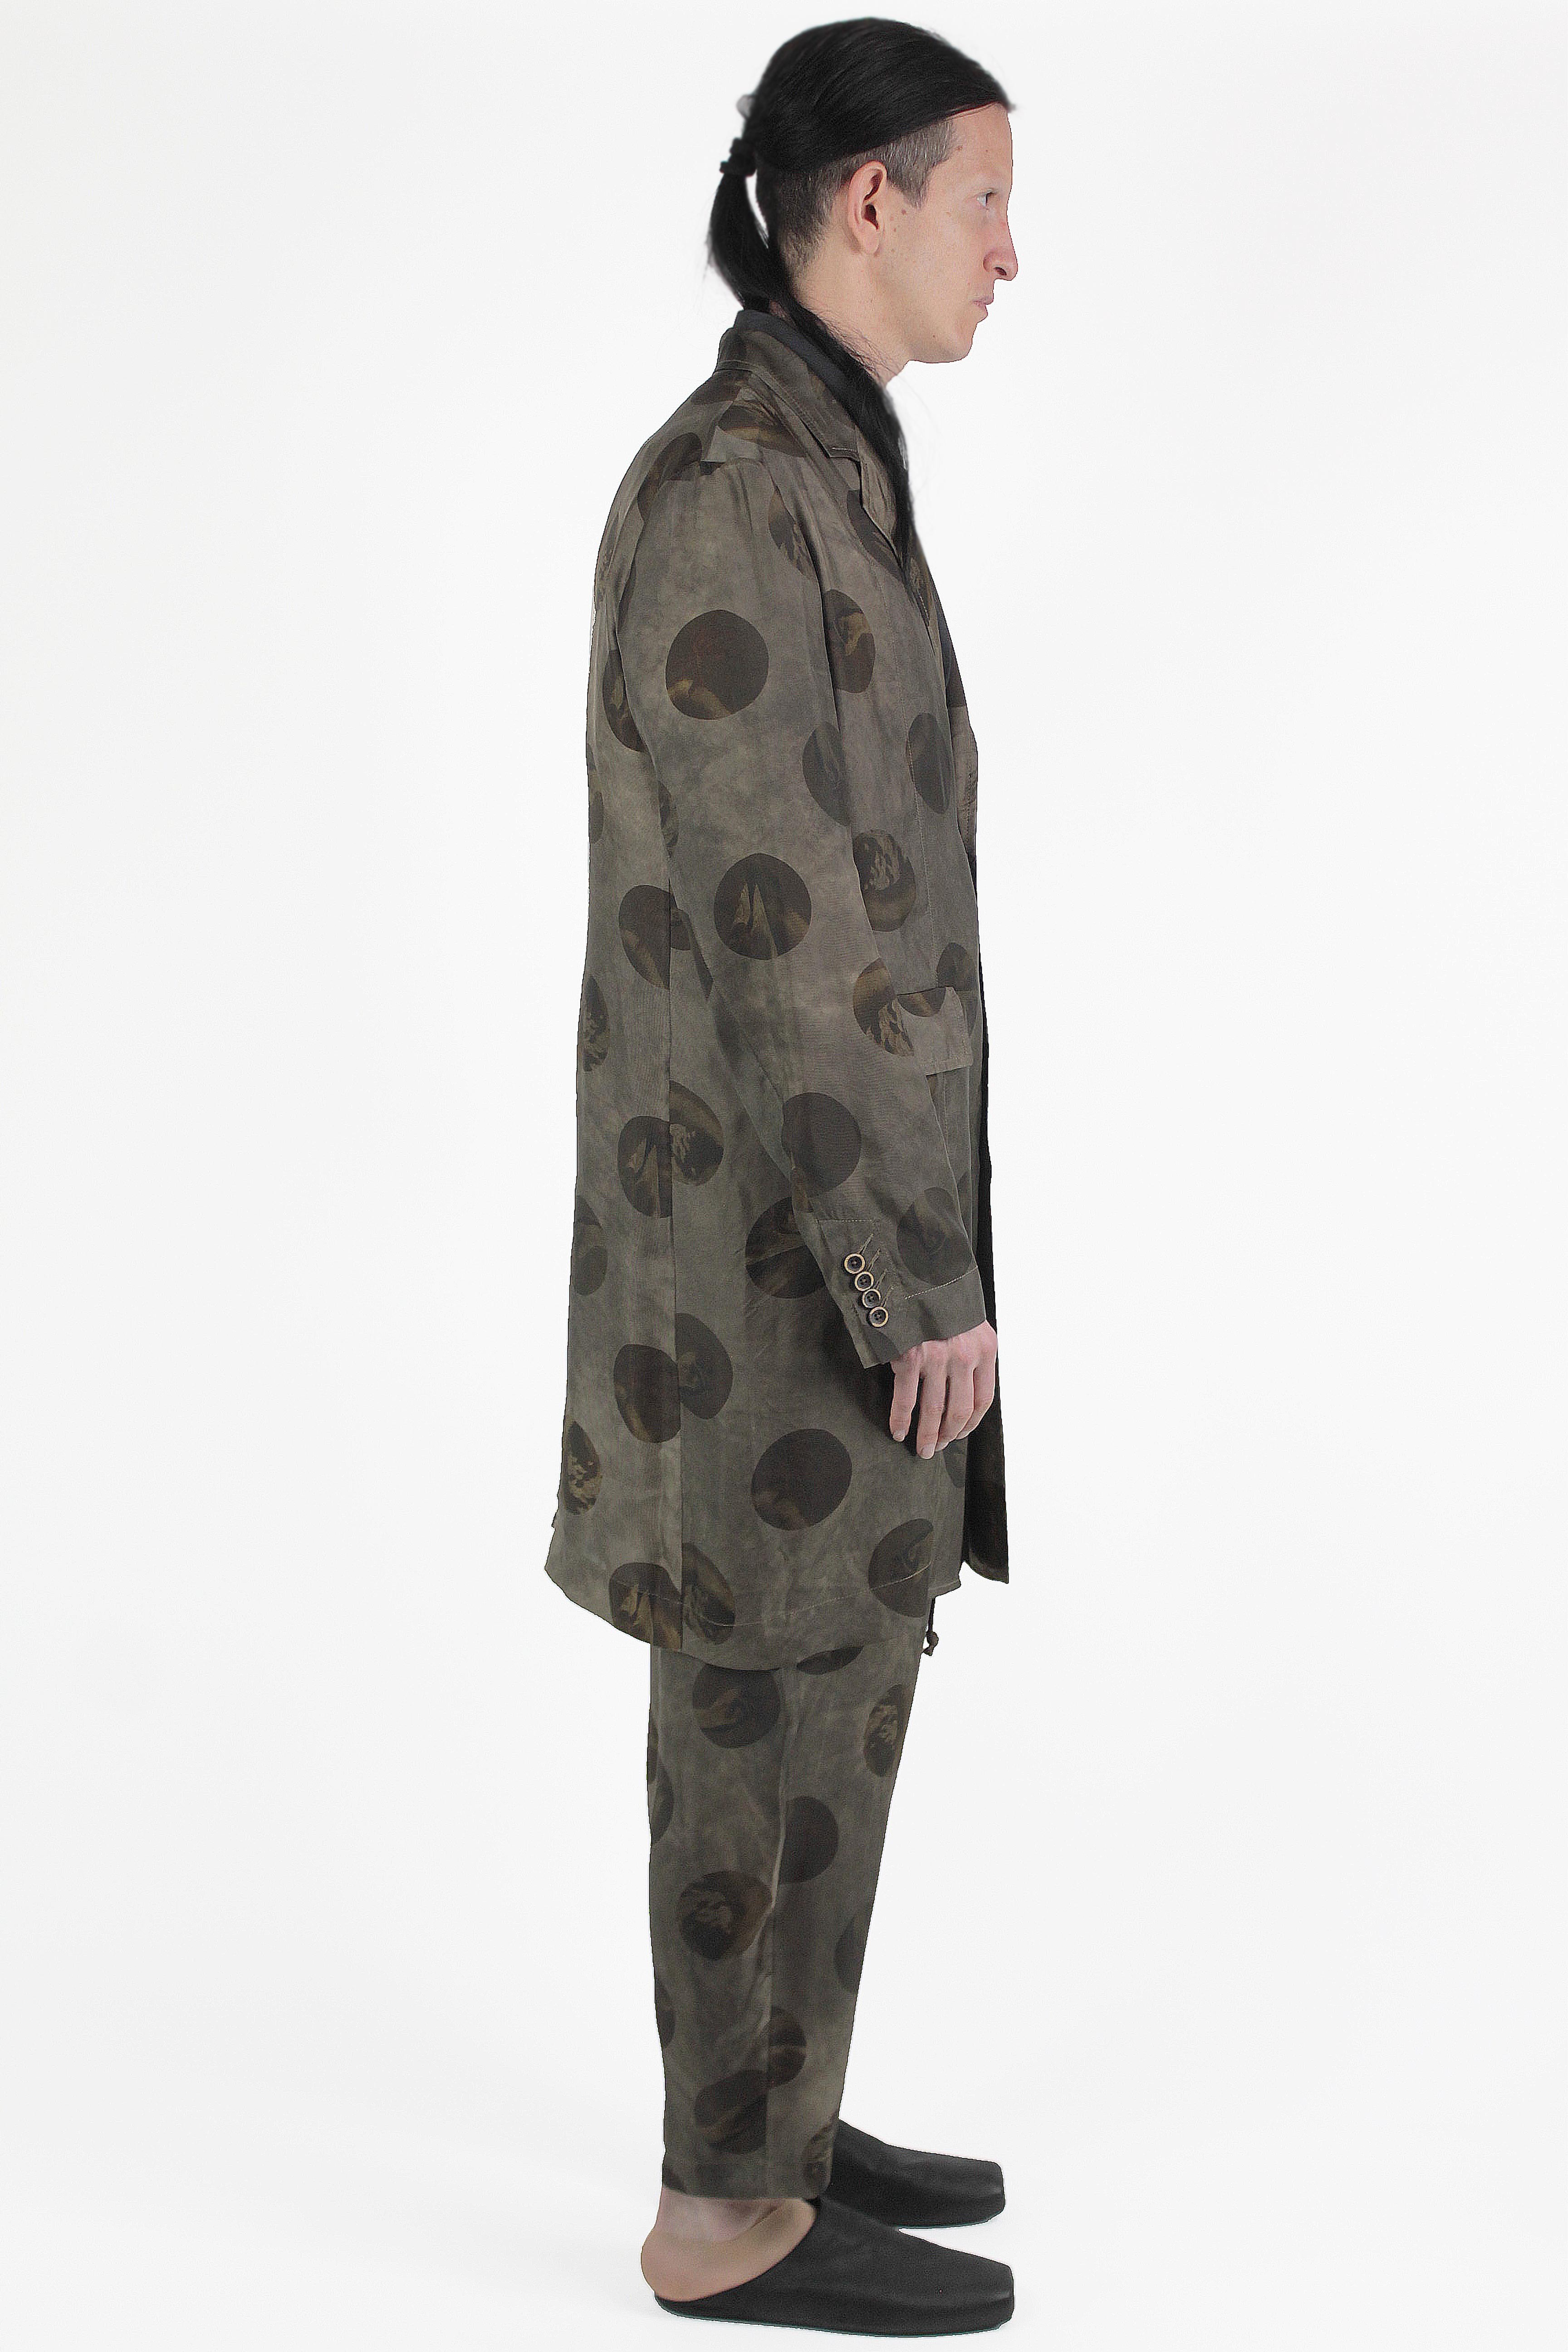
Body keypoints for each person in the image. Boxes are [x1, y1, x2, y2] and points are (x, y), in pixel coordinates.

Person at [544, 17, 1019, 2334]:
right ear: (869, 202)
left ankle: (784, 2121)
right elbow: (788, 938)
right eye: (986, 203)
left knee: (845, 1671)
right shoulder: (738, 488)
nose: (1011, 254)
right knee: (759, 1690)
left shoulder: (828, 455)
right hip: (764, 1264)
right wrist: (914, 1276)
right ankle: (719, 2215)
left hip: (826, 1233)